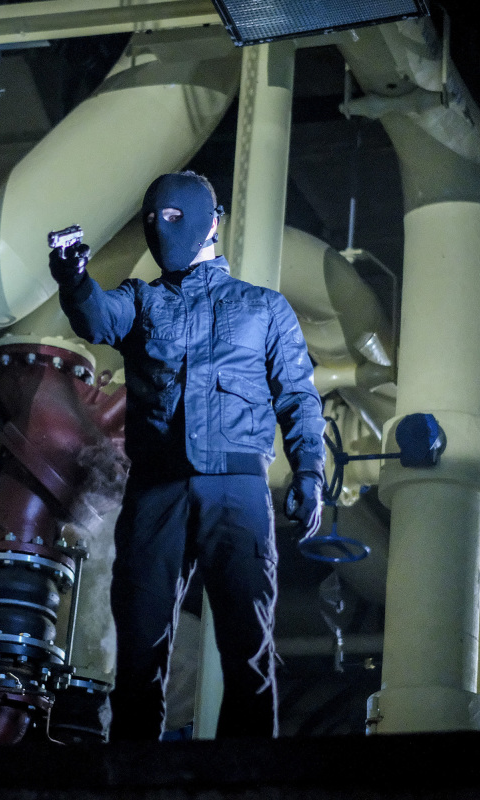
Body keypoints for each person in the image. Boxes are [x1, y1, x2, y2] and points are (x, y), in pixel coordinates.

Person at [48, 171, 326, 739]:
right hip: (158, 490)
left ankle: (248, 775)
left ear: (211, 222)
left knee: (248, 648)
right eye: (152, 219)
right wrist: (75, 281)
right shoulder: (141, 300)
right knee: (138, 652)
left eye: (174, 217)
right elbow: (98, 317)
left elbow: (299, 396)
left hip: (236, 489)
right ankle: (135, 775)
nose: (161, 229)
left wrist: (310, 471)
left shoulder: (263, 308)